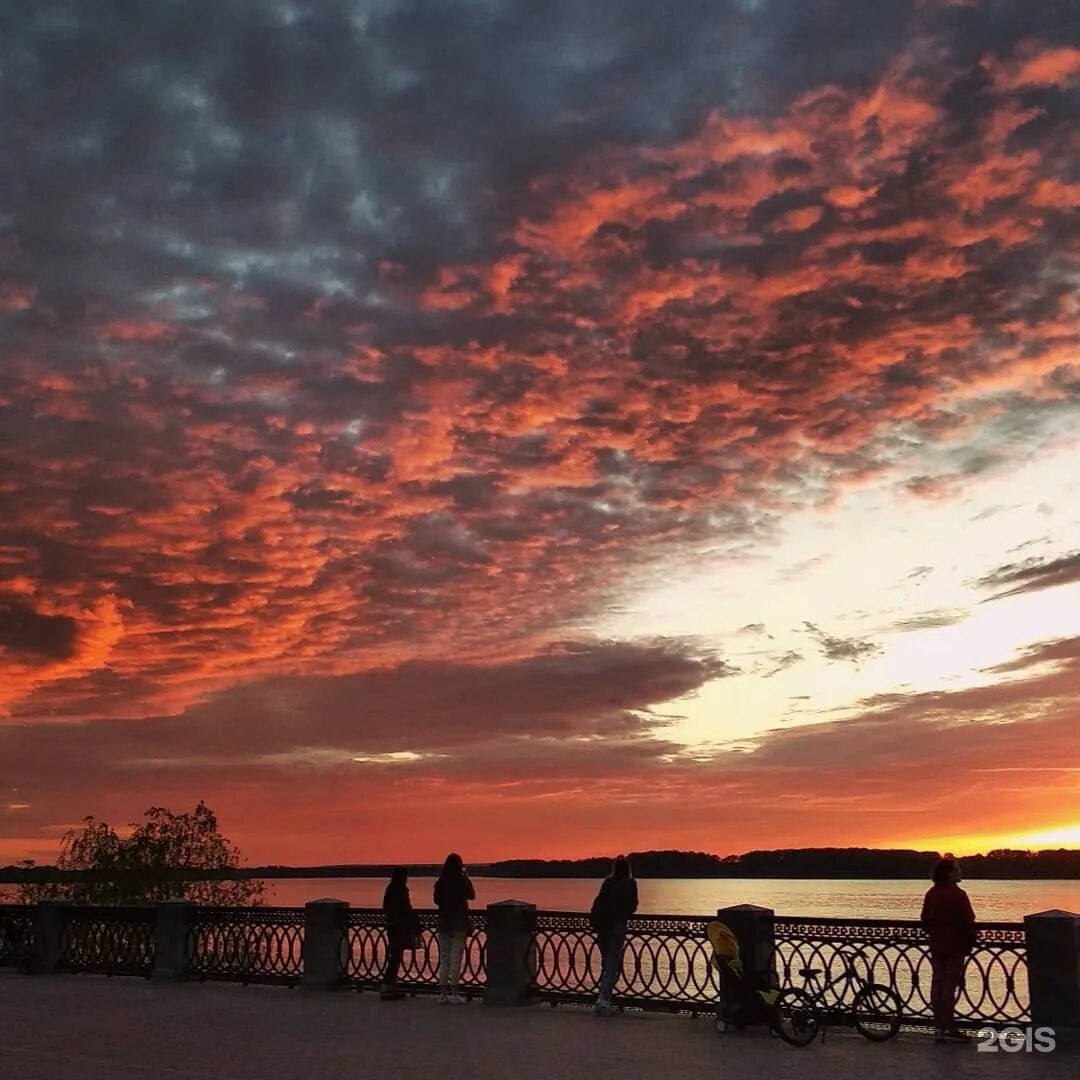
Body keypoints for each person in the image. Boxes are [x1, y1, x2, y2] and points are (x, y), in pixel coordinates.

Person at [920, 856, 977, 1042]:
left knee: (938, 984)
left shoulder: (932, 893)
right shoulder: (958, 894)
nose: (960, 872)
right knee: (949, 985)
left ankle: (939, 1027)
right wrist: (971, 941)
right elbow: (968, 920)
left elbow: (925, 920)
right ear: (950, 873)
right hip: (955, 945)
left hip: (936, 944)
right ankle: (949, 1026)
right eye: (957, 869)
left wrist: (934, 933)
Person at [589, 855, 638, 1016]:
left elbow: (599, 901)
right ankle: (604, 1000)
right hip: (617, 926)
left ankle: (601, 998)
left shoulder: (608, 882)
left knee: (606, 962)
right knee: (611, 964)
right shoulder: (630, 884)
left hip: (602, 926)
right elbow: (633, 904)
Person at [434, 852, 475, 1004]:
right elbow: (472, 895)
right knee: (455, 959)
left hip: (444, 924)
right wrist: (466, 876)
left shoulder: (441, 882)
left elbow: (436, 900)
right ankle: (454, 992)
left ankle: (442, 994)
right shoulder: (462, 880)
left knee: (444, 959)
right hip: (459, 924)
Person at [381, 867, 420, 1000]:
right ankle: (388, 987)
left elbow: (385, 907)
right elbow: (406, 907)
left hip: (391, 927)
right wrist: (415, 922)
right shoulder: (401, 890)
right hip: (399, 927)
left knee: (394, 956)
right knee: (395, 958)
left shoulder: (390, 889)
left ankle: (389, 986)